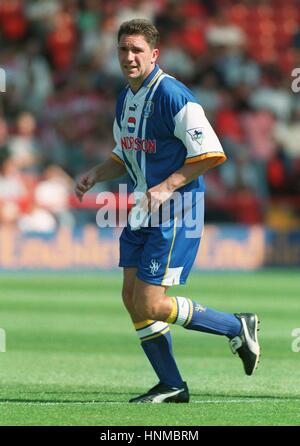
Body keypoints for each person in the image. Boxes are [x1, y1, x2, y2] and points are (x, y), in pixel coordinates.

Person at [75, 19, 260, 404]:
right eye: (124, 49)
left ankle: (235, 326)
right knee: (132, 297)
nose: (129, 57)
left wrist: (168, 185)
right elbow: (124, 154)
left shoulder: (174, 95)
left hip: (176, 209)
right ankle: (172, 384)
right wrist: (96, 173)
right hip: (144, 207)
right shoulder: (125, 96)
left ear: (154, 54)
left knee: (152, 303)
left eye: (137, 50)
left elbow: (211, 152)